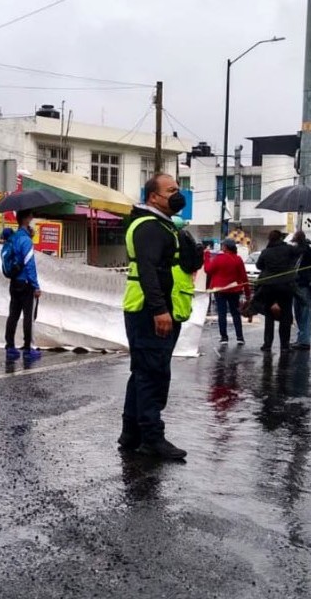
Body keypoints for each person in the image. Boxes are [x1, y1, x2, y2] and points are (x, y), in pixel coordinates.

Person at [120, 173, 188, 460]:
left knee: (143, 373)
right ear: (154, 197)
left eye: (178, 188)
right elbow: (149, 271)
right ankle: (152, 438)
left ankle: (131, 433)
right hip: (151, 313)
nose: (177, 193)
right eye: (171, 190)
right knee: (153, 375)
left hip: (155, 310)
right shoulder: (149, 226)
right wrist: (160, 310)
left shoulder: (164, 225)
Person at [255, 229, 302, 352]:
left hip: (269, 287)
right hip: (286, 286)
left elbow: (259, 266)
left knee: (269, 316)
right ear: (281, 238)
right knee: (286, 316)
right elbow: (299, 252)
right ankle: (284, 346)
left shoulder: (266, 252)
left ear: (270, 239)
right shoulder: (288, 249)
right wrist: (300, 239)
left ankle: (267, 344)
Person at [4, 209, 41, 362]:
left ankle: (10, 347)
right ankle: (27, 349)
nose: (32, 217)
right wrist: (36, 285)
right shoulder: (26, 240)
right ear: (27, 218)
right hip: (26, 282)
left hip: (14, 281)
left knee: (13, 315)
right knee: (28, 316)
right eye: (31, 215)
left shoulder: (13, 237)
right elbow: (30, 264)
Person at [204, 238, 251, 345]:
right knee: (236, 313)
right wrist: (248, 294)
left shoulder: (219, 258)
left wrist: (206, 255)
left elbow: (208, 270)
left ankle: (224, 337)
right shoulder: (238, 259)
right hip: (234, 290)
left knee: (222, 313)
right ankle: (240, 337)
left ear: (225, 247)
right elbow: (244, 277)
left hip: (220, 290)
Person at [291, 230, 311, 351]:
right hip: (298, 284)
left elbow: (307, 257)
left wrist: (302, 246)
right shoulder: (306, 250)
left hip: (305, 284)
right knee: (299, 314)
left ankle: (304, 341)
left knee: (305, 314)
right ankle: (302, 338)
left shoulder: (307, 251)